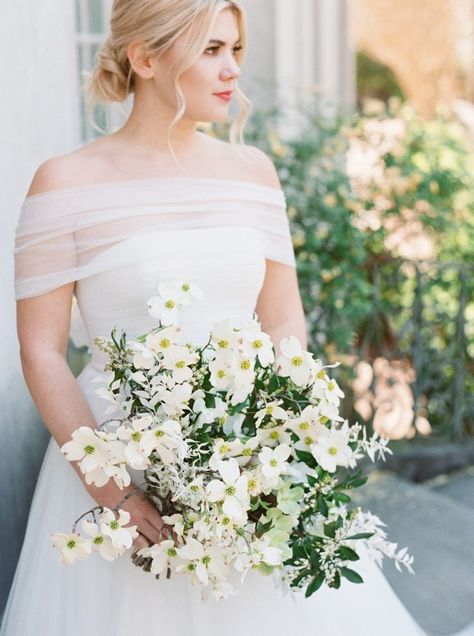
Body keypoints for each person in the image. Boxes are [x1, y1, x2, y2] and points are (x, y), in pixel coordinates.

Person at [1, 1, 426, 634]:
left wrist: (281, 446)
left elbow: (283, 322)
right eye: (210, 50)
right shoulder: (64, 184)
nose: (231, 70)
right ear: (145, 59)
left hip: (248, 465)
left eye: (236, 51)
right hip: (120, 459)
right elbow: (41, 351)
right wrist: (113, 492)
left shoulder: (254, 173)